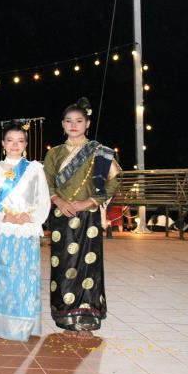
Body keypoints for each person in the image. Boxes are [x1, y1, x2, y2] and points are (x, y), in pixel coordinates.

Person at [44, 97, 120, 334]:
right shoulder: (54, 154)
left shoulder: (100, 152)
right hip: (62, 217)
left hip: (89, 218)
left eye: (79, 121)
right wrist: (59, 201)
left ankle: (87, 318)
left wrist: (88, 202)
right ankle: (66, 318)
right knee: (62, 267)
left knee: (89, 267)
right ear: (63, 124)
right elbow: (46, 184)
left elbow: (114, 182)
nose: (74, 125)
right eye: (69, 121)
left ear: (87, 124)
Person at [0, 122, 51, 341]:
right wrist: (4, 217)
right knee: (5, 277)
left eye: (20, 141)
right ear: (3, 143)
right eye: (10, 140)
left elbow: (43, 200)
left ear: (25, 144)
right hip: (5, 229)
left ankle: (28, 325)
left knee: (27, 277)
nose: (15, 145)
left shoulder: (34, 169)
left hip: (27, 230)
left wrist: (31, 217)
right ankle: (6, 326)